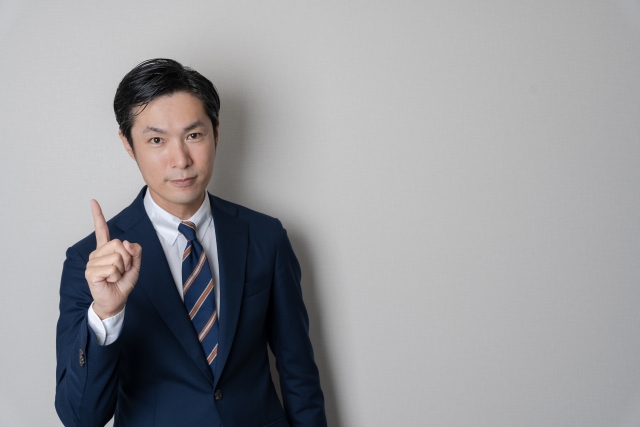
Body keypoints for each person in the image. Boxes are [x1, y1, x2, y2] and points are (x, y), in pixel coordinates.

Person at [55, 58, 327, 427]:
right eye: (156, 140)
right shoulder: (89, 261)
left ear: (216, 132)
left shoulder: (266, 237)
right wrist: (106, 314)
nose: (180, 160)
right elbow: (80, 417)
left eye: (194, 135)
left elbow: (299, 375)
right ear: (128, 144)